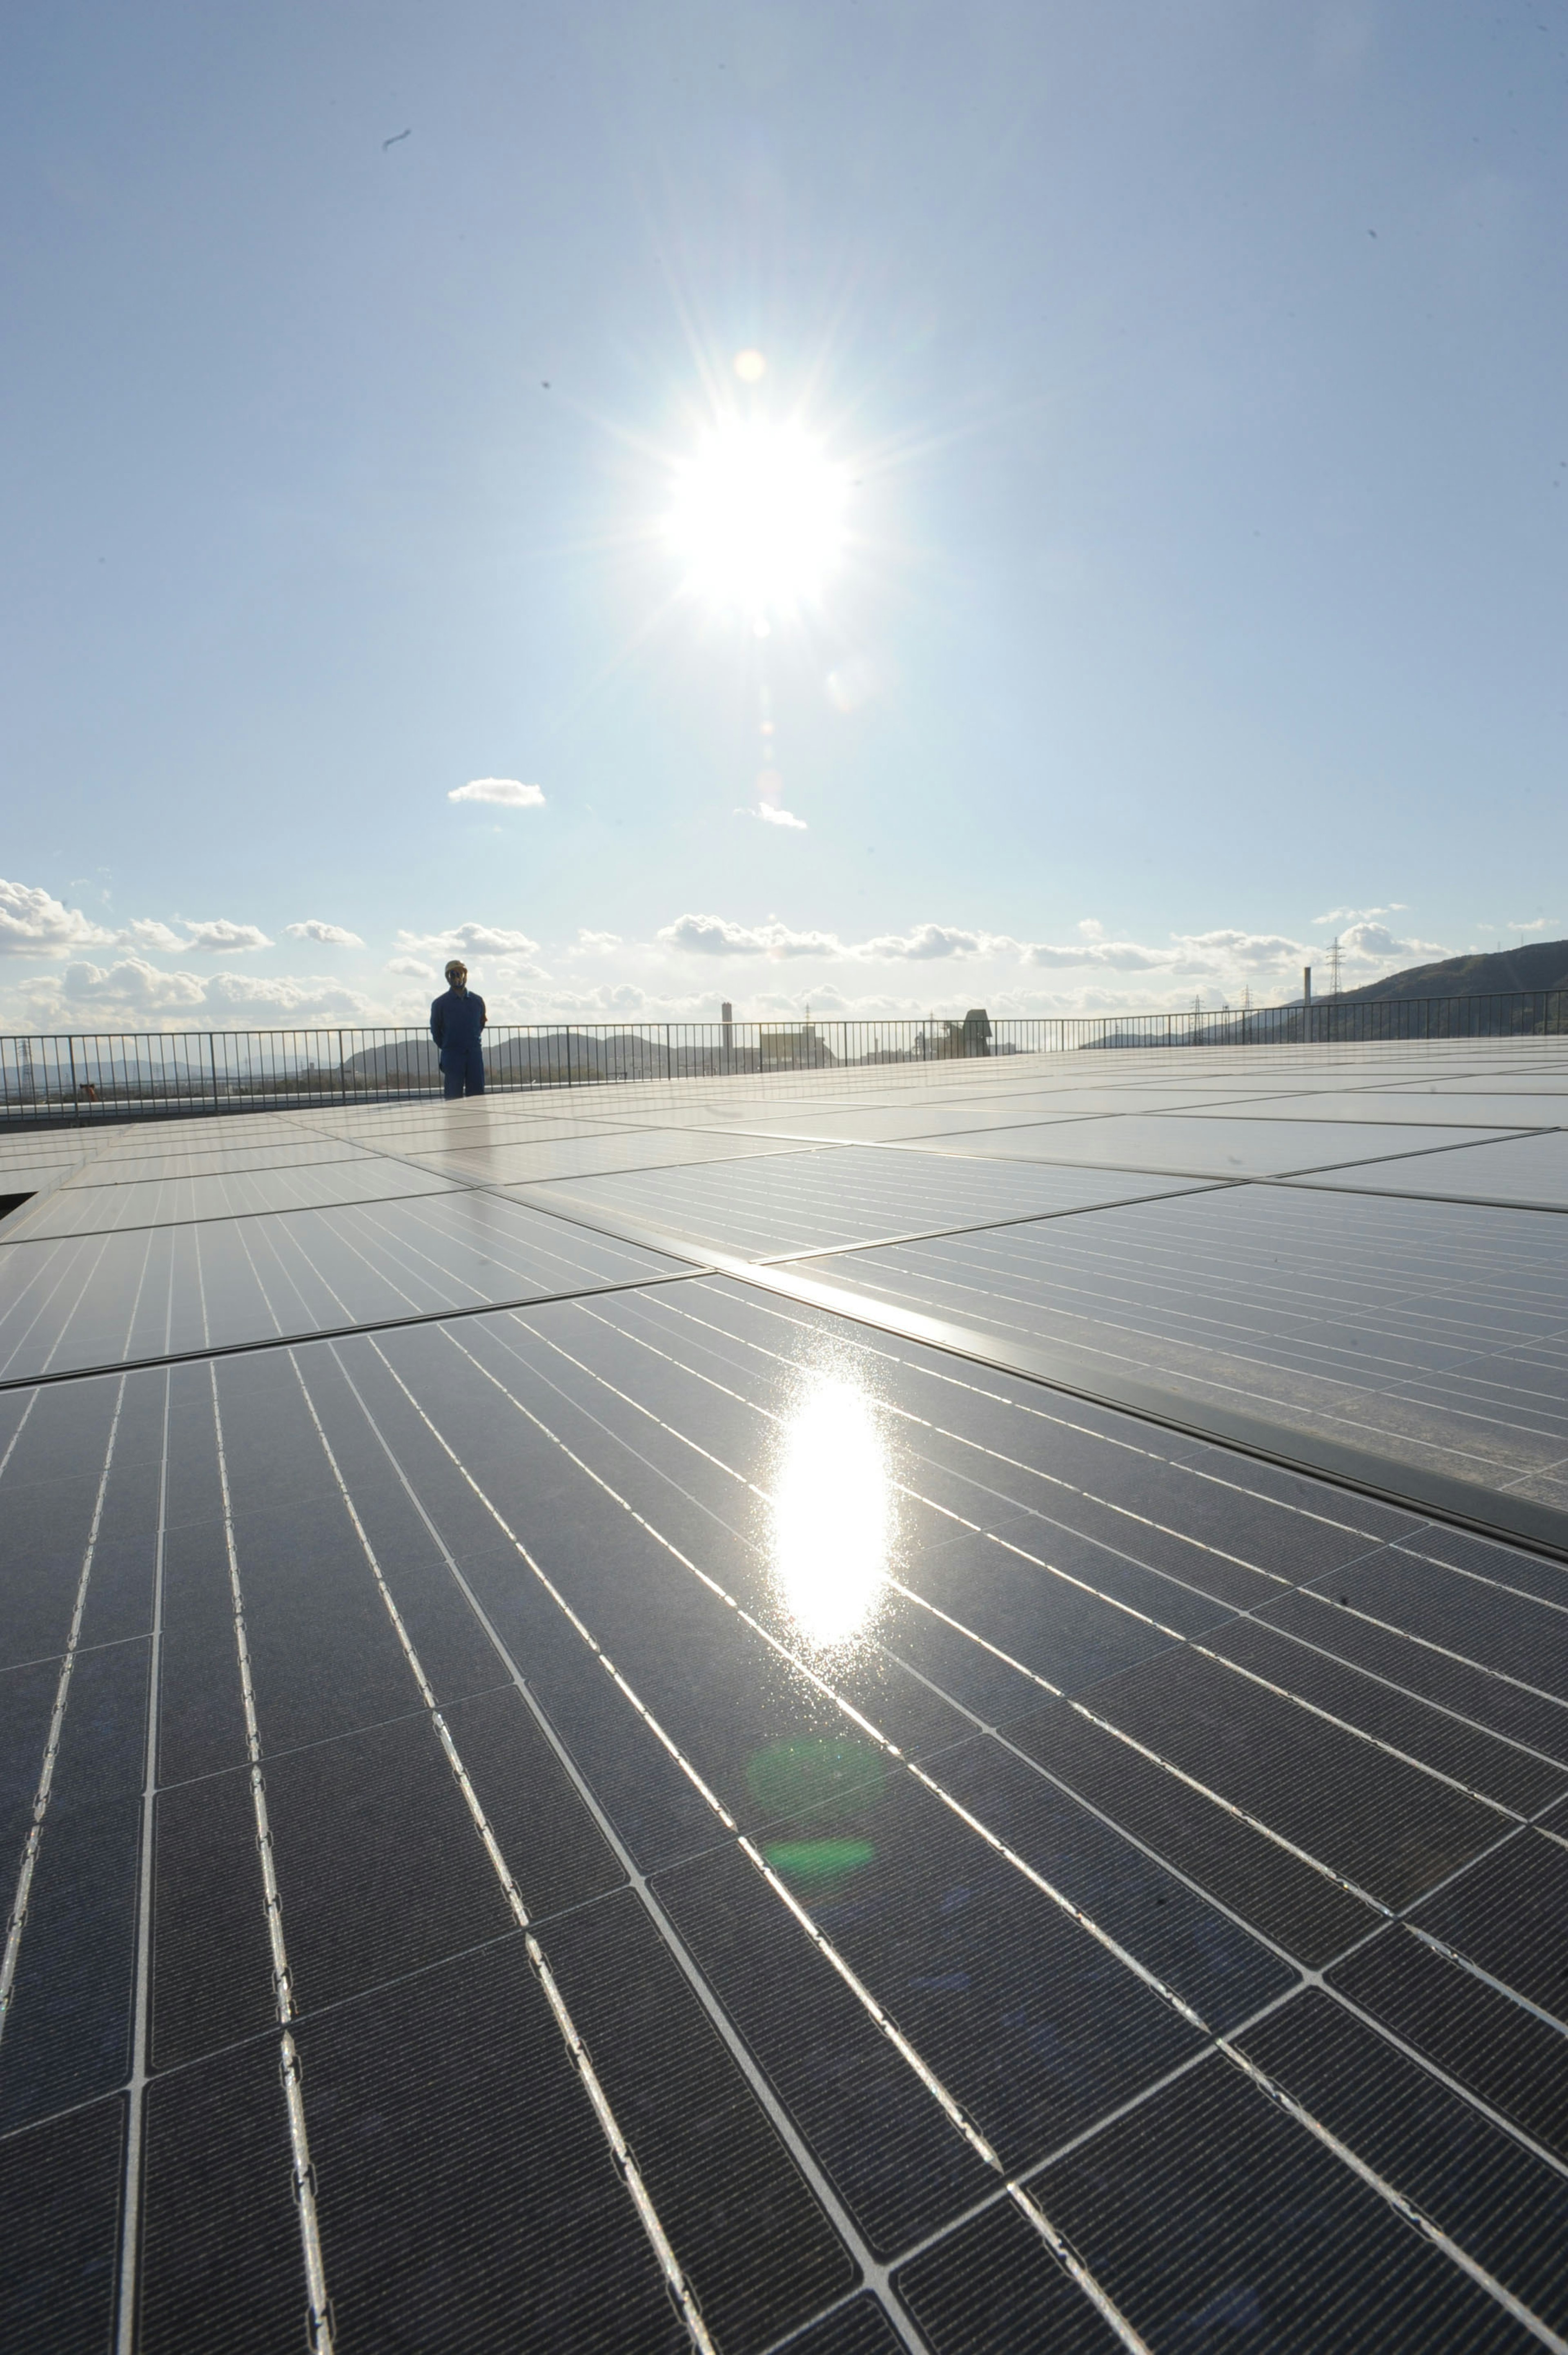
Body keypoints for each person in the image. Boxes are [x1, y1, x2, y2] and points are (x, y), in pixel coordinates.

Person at [430, 959, 487, 1097]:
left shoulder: (477, 1001)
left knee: (477, 1096)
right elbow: (435, 1030)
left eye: (460, 973)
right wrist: (448, 1045)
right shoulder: (440, 1004)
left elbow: (481, 1024)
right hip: (452, 1054)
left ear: (465, 975)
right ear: (448, 978)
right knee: (453, 1096)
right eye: (453, 974)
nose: (457, 978)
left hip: (474, 1053)